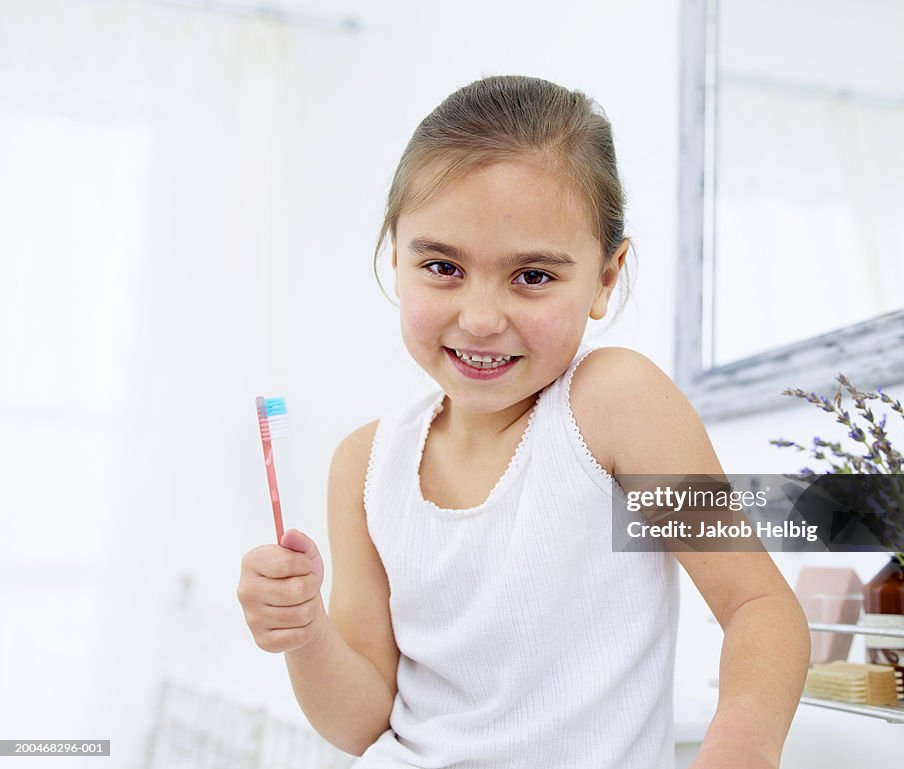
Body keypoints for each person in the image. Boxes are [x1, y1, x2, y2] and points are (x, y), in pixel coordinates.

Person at [237, 74, 810, 769]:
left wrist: (739, 751)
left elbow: (758, 607)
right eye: (443, 265)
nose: (480, 318)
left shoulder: (614, 407)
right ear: (397, 253)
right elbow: (363, 722)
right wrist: (305, 633)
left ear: (606, 277)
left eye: (532, 276)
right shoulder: (363, 466)